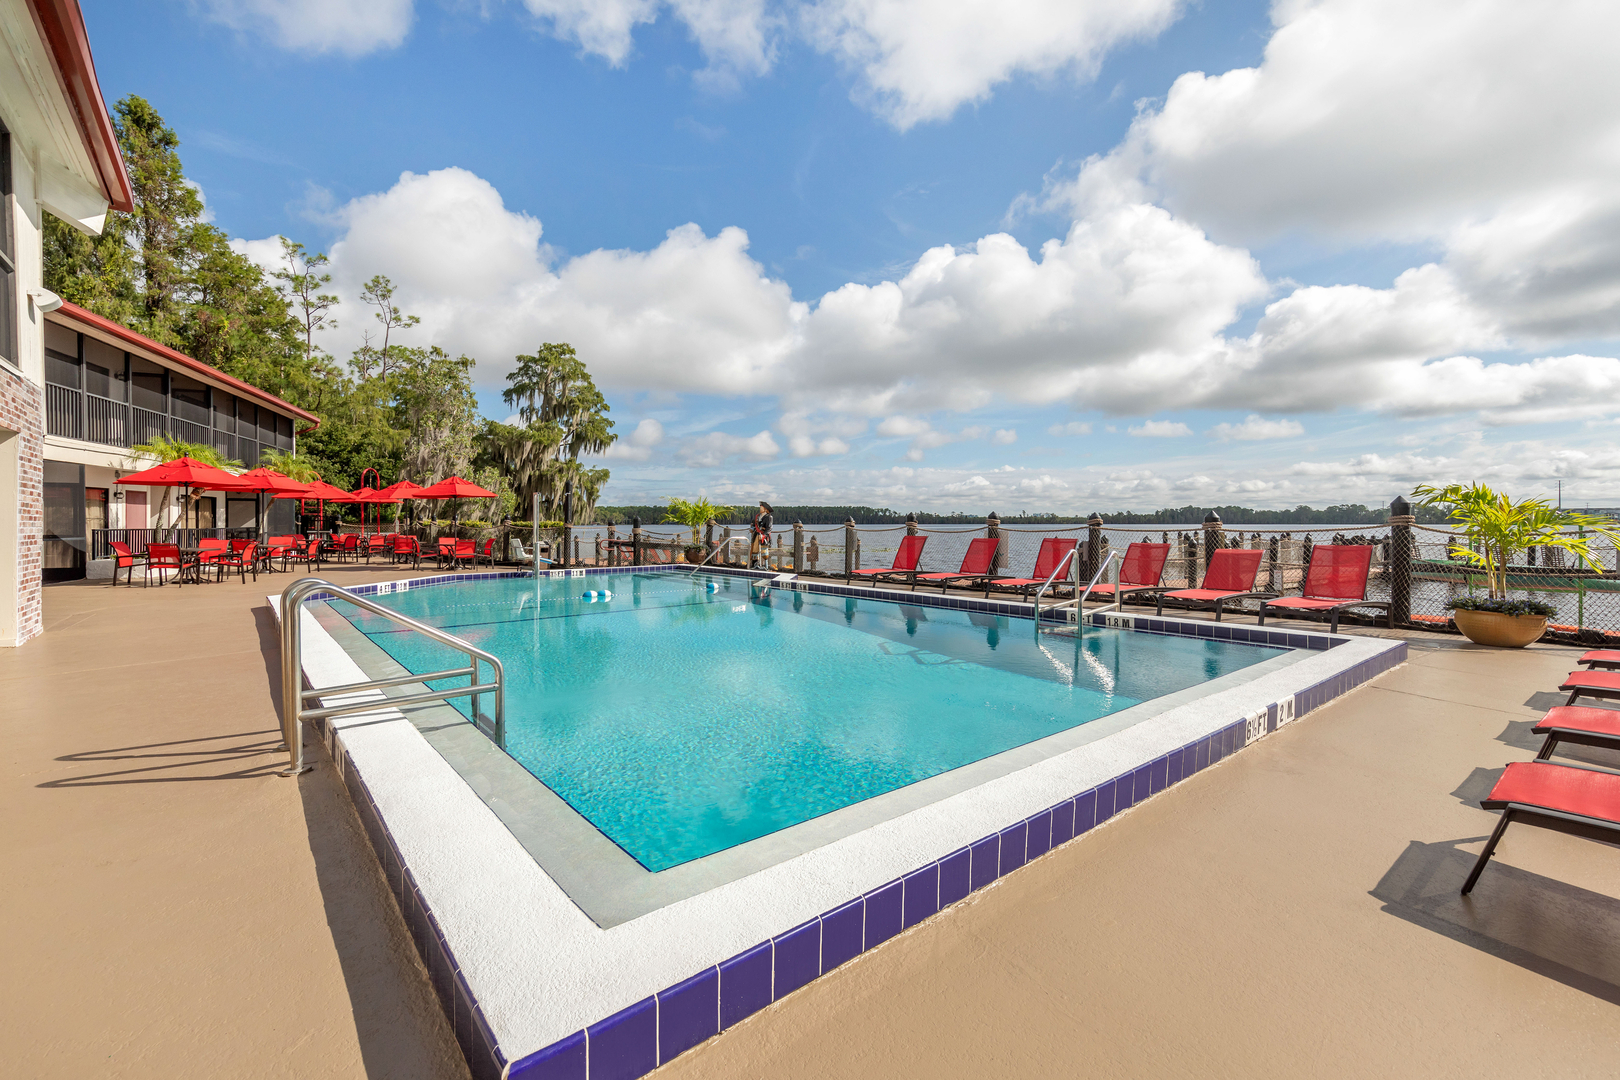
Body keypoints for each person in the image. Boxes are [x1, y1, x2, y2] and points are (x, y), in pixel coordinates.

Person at [750, 501, 773, 568]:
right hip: (756, 535)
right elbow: (754, 525)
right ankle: (755, 564)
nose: (760, 509)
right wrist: (752, 528)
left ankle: (765, 566)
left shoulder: (769, 517)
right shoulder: (757, 516)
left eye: (761, 507)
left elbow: (769, 528)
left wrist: (764, 535)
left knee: (764, 552)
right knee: (754, 550)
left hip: (764, 536)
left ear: (765, 509)